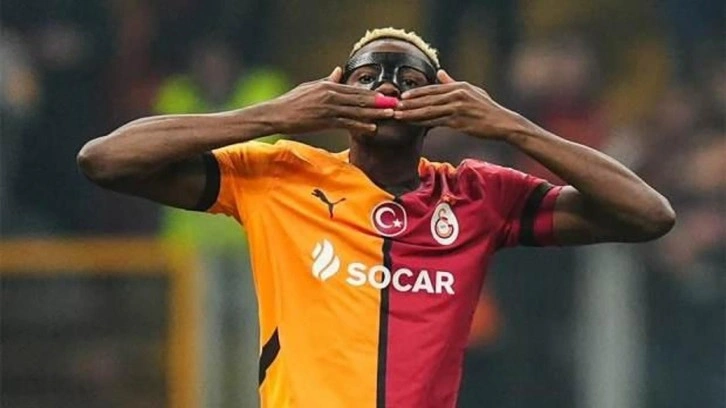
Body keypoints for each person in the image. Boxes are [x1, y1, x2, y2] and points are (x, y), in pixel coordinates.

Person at [77, 27, 675, 408]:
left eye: (410, 81)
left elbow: (648, 215)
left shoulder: (478, 195)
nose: (387, 89)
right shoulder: (281, 175)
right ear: (334, 94)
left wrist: (510, 125)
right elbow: (104, 159)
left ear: (441, 104)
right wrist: (272, 115)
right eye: (366, 78)